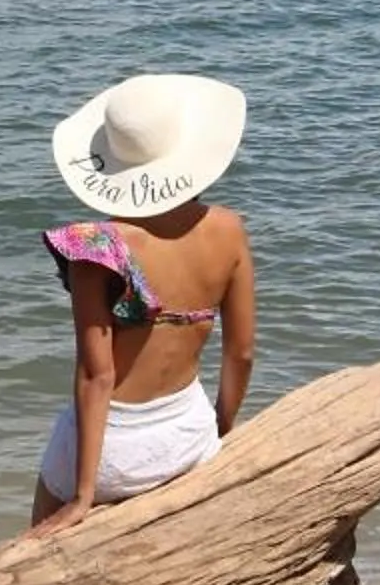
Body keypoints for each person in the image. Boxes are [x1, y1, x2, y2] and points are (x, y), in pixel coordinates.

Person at [26, 73, 258, 538]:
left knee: (32, 542)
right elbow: (241, 352)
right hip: (189, 438)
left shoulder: (95, 249)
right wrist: (221, 427)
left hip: (112, 455)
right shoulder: (229, 230)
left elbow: (98, 375)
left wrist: (84, 494)